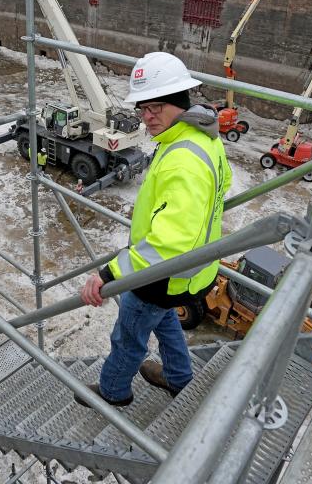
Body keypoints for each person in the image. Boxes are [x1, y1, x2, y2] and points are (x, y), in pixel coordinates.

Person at [76, 52, 232, 407]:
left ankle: (114, 393)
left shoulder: (183, 160)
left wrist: (108, 273)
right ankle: (179, 378)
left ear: (180, 101)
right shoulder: (201, 137)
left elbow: (169, 242)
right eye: (142, 109)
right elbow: (223, 185)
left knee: (128, 336)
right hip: (193, 272)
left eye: (156, 108)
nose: (147, 118)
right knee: (165, 322)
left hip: (163, 274)